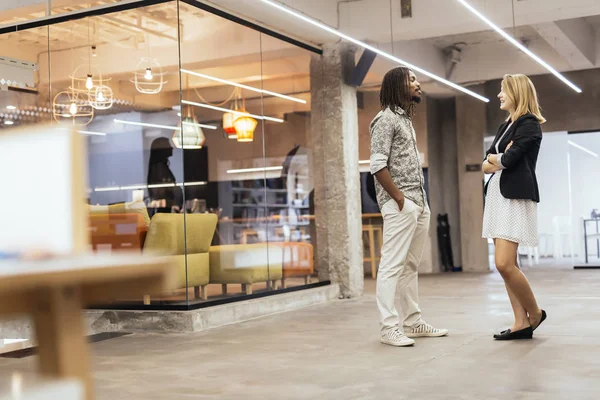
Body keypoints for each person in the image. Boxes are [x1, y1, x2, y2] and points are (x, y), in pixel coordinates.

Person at [370, 67, 448, 347]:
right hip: (401, 203)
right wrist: (399, 199)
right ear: (397, 85)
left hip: (418, 201)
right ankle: (388, 327)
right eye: (412, 79)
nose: (418, 84)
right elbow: (377, 165)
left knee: (410, 265)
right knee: (392, 265)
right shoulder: (385, 120)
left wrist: (417, 203)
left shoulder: (405, 120)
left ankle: (413, 323)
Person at [482, 74, 547, 340]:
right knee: (509, 263)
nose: (499, 95)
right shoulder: (505, 126)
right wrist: (497, 159)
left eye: (503, 90)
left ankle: (535, 312)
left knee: (504, 264)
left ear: (517, 93)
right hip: (498, 197)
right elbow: (485, 164)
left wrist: (497, 159)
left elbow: (507, 160)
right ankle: (520, 322)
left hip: (514, 198)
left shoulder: (528, 123)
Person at [147, 137, 183, 211]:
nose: (171, 147)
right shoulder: (158, 169)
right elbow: (161, 192)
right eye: (169, 145)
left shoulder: (162, 167)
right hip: (165, 209)